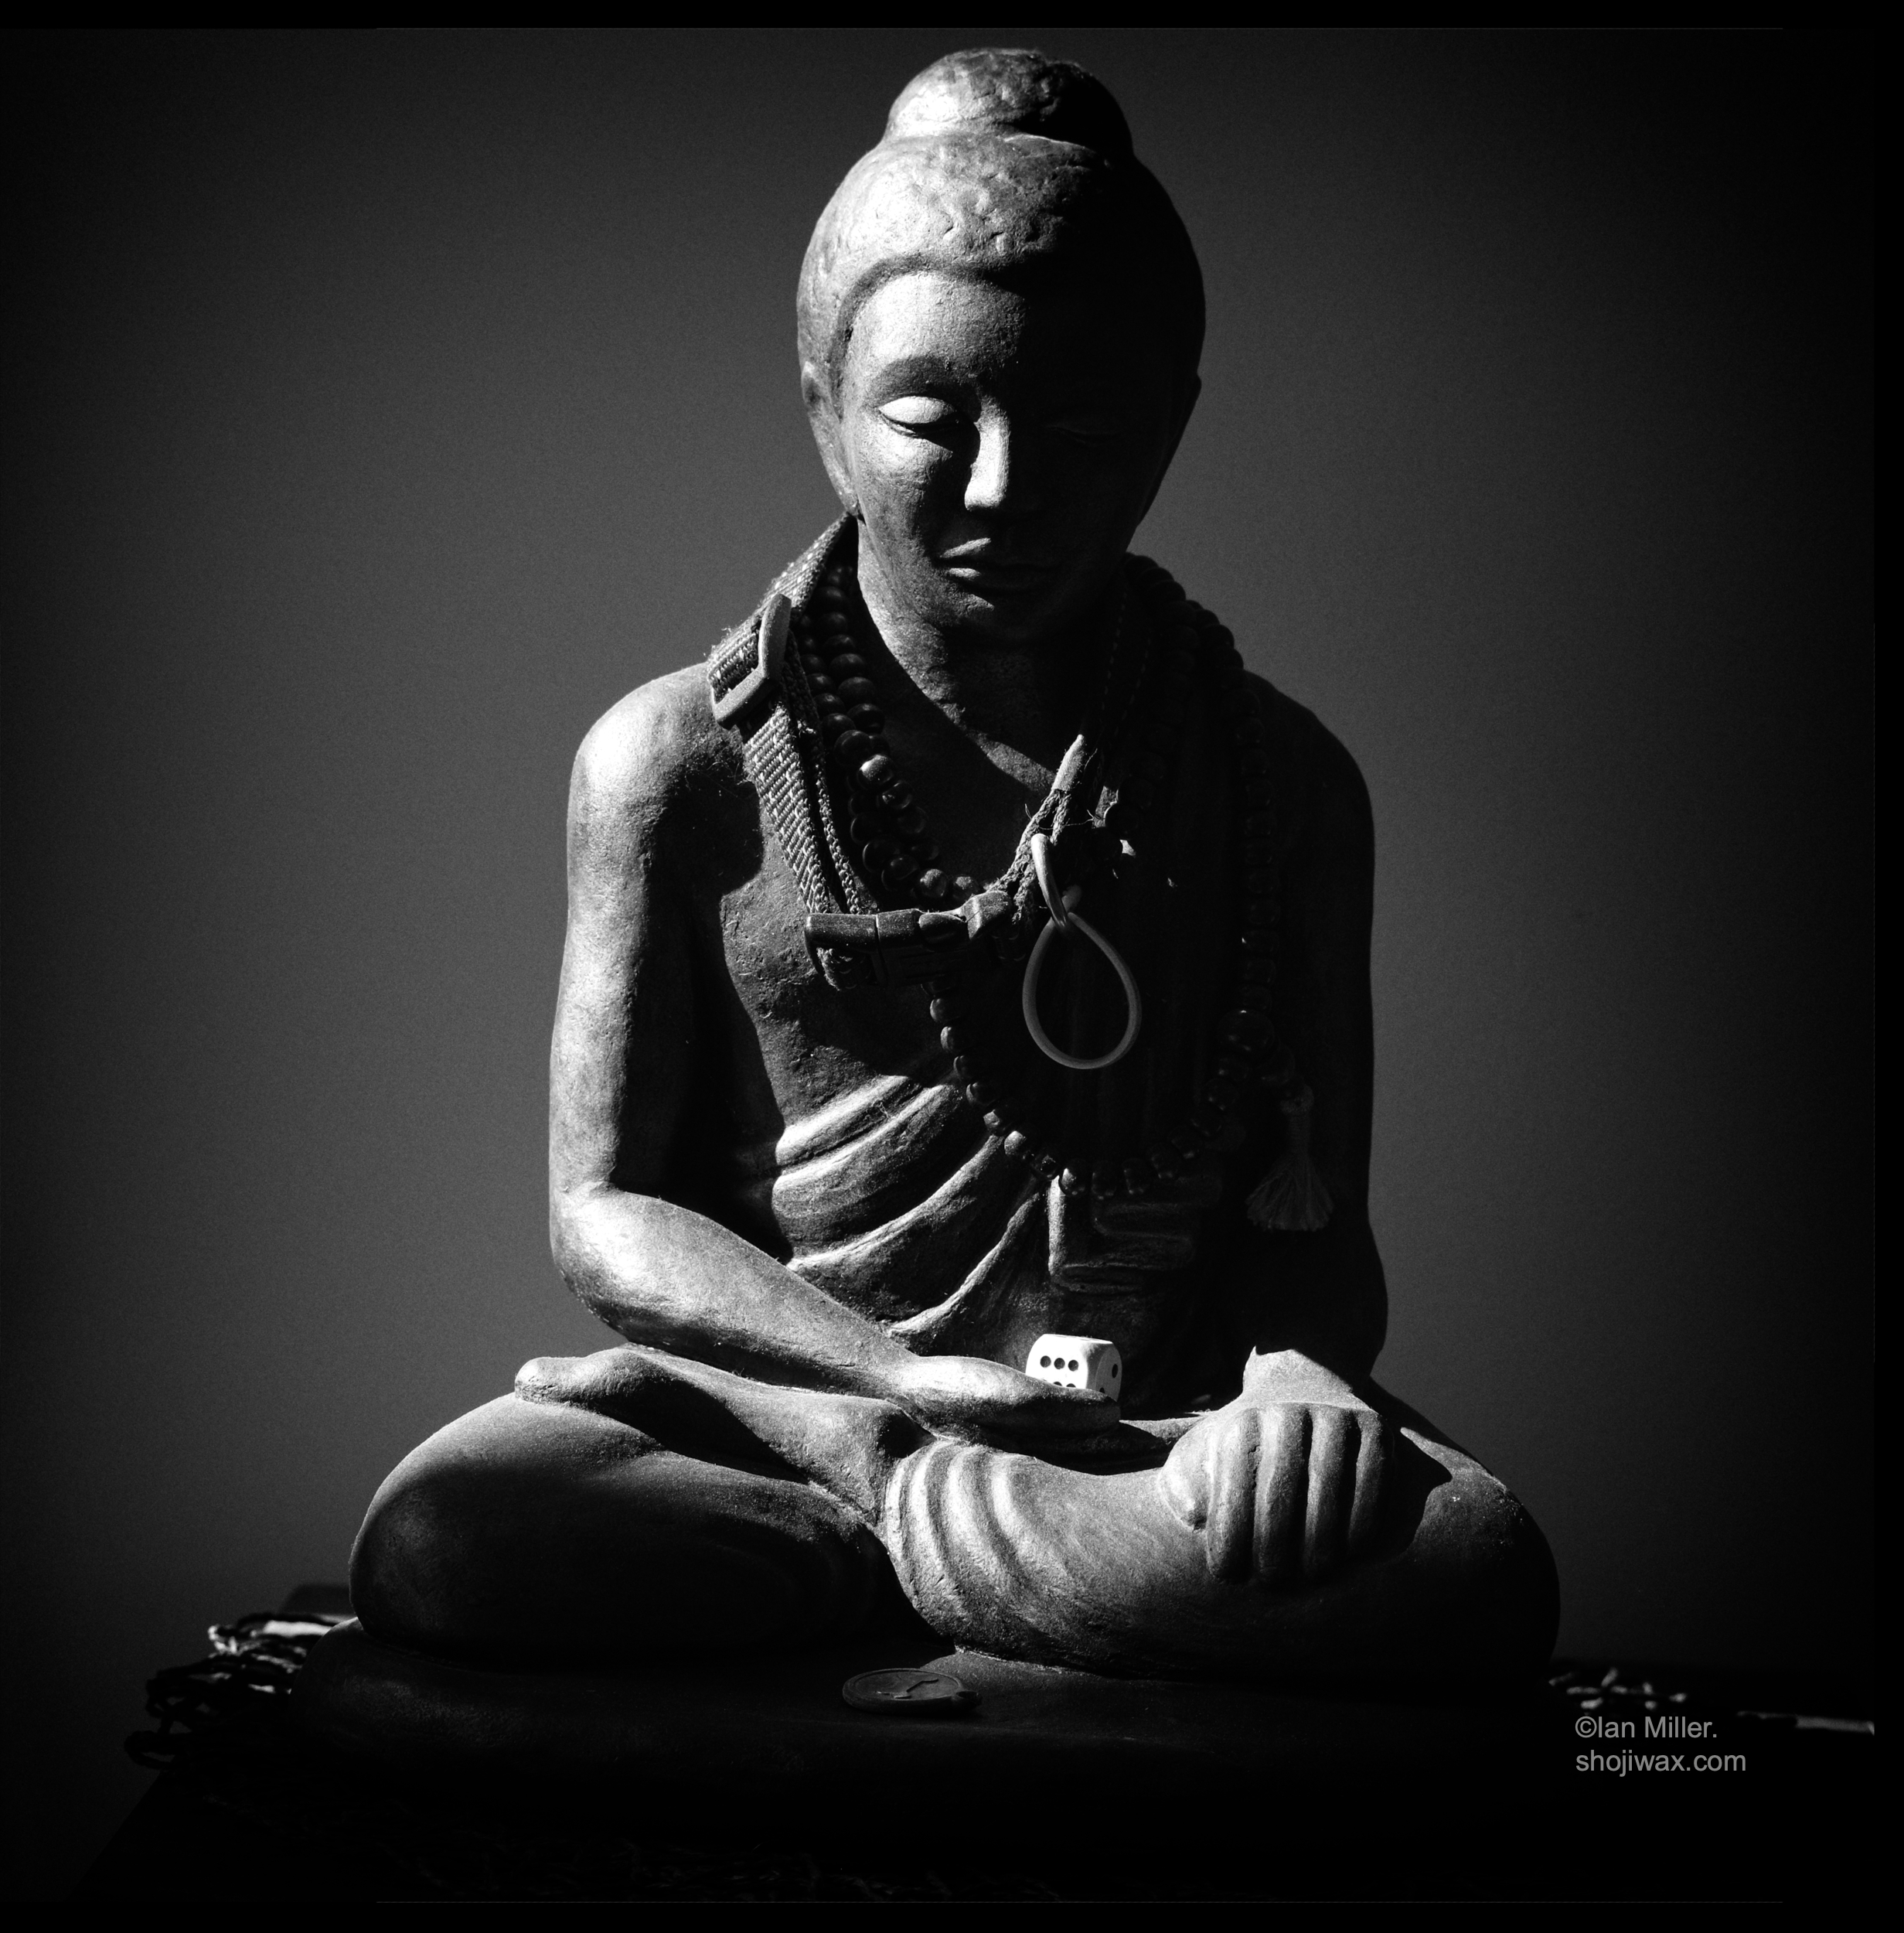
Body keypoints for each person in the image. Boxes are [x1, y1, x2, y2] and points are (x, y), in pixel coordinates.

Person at [348, 48, 1556, 1684]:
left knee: (1470, 1564)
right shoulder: (680, 761)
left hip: (1143, 1431)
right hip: (790, 1414)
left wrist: (1294, 1378)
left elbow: (1313, 1209)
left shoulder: (1277, 781)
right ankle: (978, 1587)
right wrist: (896, 1386)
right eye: (929, 417)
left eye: (1080, 427)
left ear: (1171, 424)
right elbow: (603, 1209)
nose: (1002, 488)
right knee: (453, 1533)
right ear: (825, 408)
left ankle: (892, 1604)